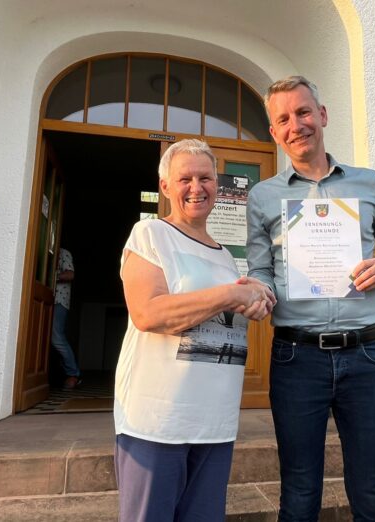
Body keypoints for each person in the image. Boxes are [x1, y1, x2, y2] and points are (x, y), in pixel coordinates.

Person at [246, 76, 375, 521]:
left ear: (321, 116)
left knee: (373, 494)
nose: (295, 124)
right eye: (283, 119)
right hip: (296, 359)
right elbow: (261, 269)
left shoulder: (368, 183)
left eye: (303, 112)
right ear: (274, 133)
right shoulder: (263, 196)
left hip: (367, 357)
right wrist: (261, 292)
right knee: (299, 494)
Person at [114, 139, 275, 522]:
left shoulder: (224, 255)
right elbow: (148, 313)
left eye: (205, 178)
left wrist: (256, 300)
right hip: (158, 421)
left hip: (215, 421)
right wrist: (227, 294)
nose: (196, 187)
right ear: (166, 186)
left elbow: (222, 312)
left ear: (217, 185)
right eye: (184, 178)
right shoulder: (150, 235)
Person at [52, 247, 81, 390]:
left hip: (59, 301)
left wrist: (51, 275)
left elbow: (70, 275)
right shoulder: (47, 252)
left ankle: (73, 374)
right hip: (45, 299)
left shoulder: (64, 253)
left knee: (56, 338)